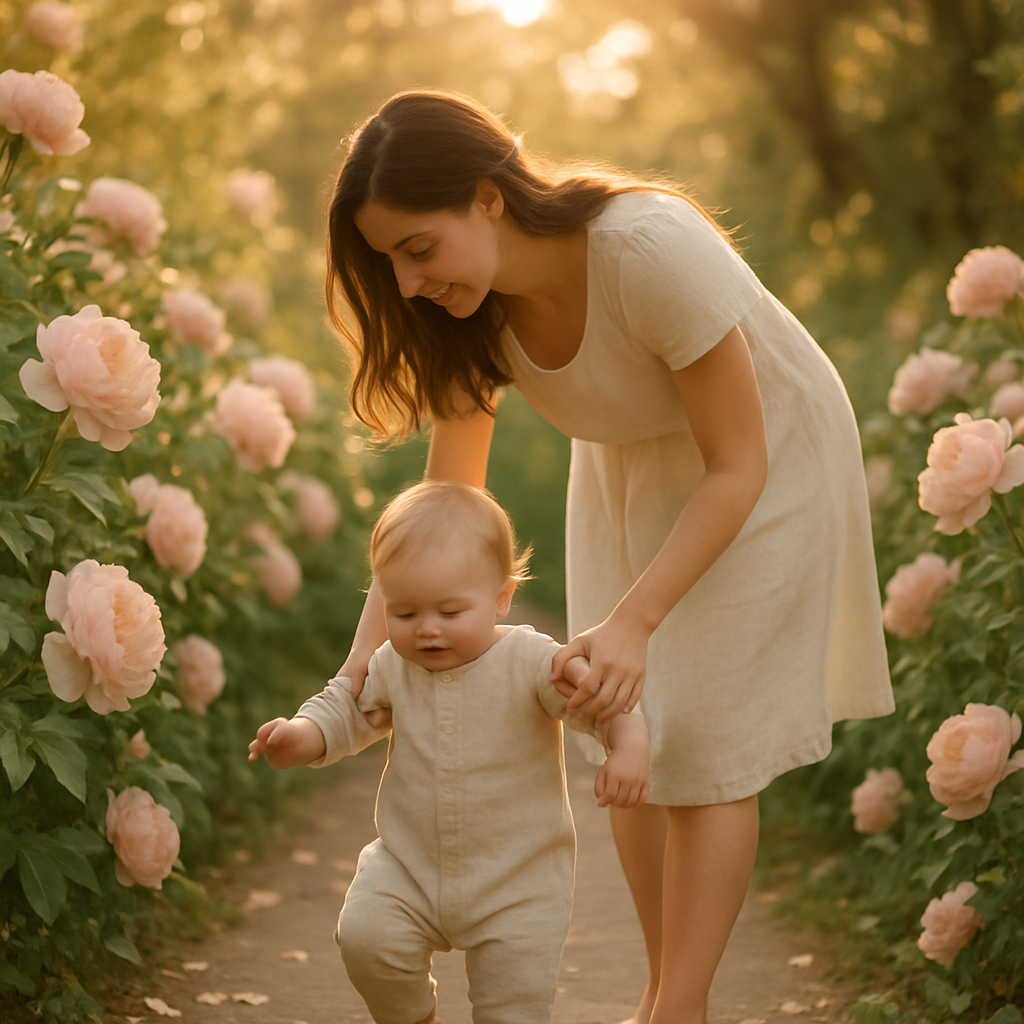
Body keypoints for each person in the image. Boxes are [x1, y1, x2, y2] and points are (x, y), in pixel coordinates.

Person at [323, 90, 895, 1024]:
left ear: (488, 196)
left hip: (761, 460)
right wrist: (363, 662)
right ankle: (666, 991)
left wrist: (635, 619)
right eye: (389, 261)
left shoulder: (646, 247)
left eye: (418, 248)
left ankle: (680, 1009)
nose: (407, 283)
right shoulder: (466, 311)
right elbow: (448, 504)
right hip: (628, 465)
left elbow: (738, 462)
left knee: (704, 735)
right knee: (618, 704)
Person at [248, 479, 651, 1024]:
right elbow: (348, 711)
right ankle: (413, 1016)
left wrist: (628, 746)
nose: (428, 630)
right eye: (406, 613)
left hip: (519, 882)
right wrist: (301, 736)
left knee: (515, 1007)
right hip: (409, 866)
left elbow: (601, 702)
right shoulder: (393, 664)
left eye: (450, 611)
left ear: (501, 597)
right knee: (367, 936)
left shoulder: (533, 661)